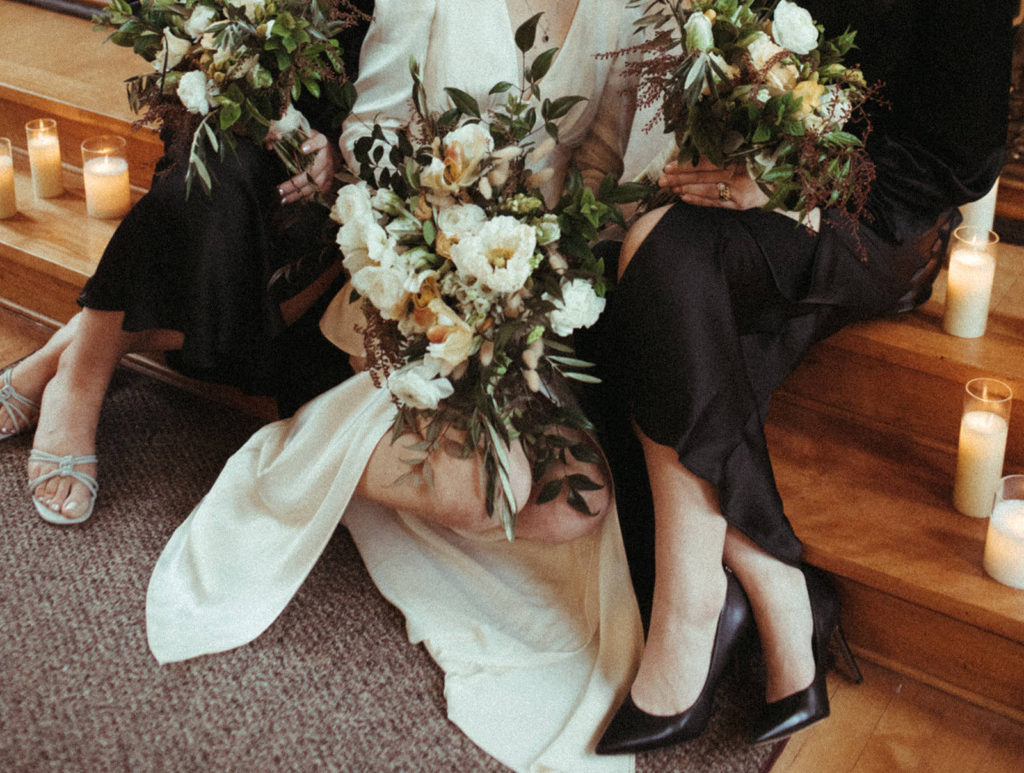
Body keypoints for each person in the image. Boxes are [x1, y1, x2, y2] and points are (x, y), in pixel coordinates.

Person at [145, 2, 646, 770]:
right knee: (492, 489)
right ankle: (311, 458)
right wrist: (432, 248)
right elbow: (368, 133)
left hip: (525, 310)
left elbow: (599, 174)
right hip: (403, 303)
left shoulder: (622, 11)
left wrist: (546, 274)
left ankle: (370, 463)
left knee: (577, 506)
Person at [586, 0, 1018, 755]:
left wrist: (798, 175)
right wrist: (734, 143)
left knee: (663, 257)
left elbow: (960, 160)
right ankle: (774, 582)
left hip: (882, 214)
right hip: (758, 186)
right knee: (635, 265)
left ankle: (699, 607)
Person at [0, 1, 374, 525]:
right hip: (223, 108)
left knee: (291, 238)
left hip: (348, 150)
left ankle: (65, 355)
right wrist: (236, 99)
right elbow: (185, 36)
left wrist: (338, 148)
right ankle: (80, 384)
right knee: (207, 188)